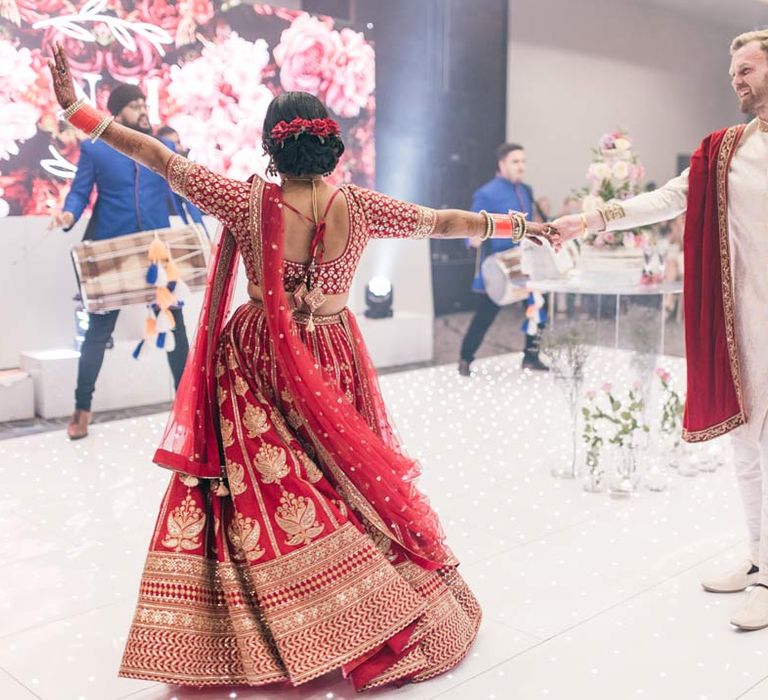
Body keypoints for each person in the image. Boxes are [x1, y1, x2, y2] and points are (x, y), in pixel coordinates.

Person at [47, 45, 557, 690]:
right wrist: (523, 226)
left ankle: (281, 621)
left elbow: (159, 157)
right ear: (332, 145)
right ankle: (371, 608)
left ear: (271, 146)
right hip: (334, 351)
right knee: (345, 478)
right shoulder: (363, 207)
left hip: (261, 355)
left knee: (269, 489)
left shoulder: (243, 200)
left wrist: (78, 108)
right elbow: (446, 222)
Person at [553, 29, 768, 632]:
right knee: (745, 445)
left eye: (748, 67)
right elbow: (670, 199)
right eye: (734, 70)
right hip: (738, 322)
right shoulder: (724, 150)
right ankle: (758, 557)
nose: (737, 78)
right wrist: (591, 219)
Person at [49, 83, 205, 440]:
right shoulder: (96, 150)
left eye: (144, 103)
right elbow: (79, 192)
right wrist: (68, 216)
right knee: (98, 333)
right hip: (111, 251)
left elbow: (183, 192)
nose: (143, 110)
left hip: (157, 250)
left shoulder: (163, 148)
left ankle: (186, 412)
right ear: (117, 114)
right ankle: (81, 410)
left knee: (174, 328)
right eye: (135, 105)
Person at [459, 143, 549, 376]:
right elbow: (471, 229)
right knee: (485, 315)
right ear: (502, 164)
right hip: (501, 268)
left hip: (525, 264)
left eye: (523, 161)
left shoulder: (526, 190)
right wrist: (473, 239)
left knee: (538, 306)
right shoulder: (486, 193)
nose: (521, 166)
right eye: (515, 162)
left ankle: (531, 356)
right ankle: (465, 358)